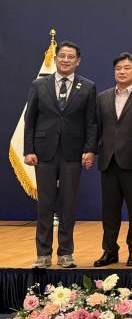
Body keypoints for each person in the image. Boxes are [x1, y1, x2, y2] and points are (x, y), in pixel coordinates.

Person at [23, 40, 97, 268]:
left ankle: (66, 253)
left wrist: (90, 149)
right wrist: (28, 150)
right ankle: (42, 254)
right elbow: (30, 120)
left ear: (78, 61)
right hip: (43, 152)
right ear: (55, 59)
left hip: (72, 153)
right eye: (62, 56)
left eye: (70, 56)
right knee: (45, 205)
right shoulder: (39, 84)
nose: (66, 60)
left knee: (68, 204)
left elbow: (91, 122)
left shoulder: (87, 86)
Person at [94, 52, 132, 267]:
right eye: (118, 68)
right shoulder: (103, 97)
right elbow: (96, 127)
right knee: (109, 211)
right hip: (108, 161)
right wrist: (91, 150)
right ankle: (109, 251)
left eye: (127, 68)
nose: (122, 72)